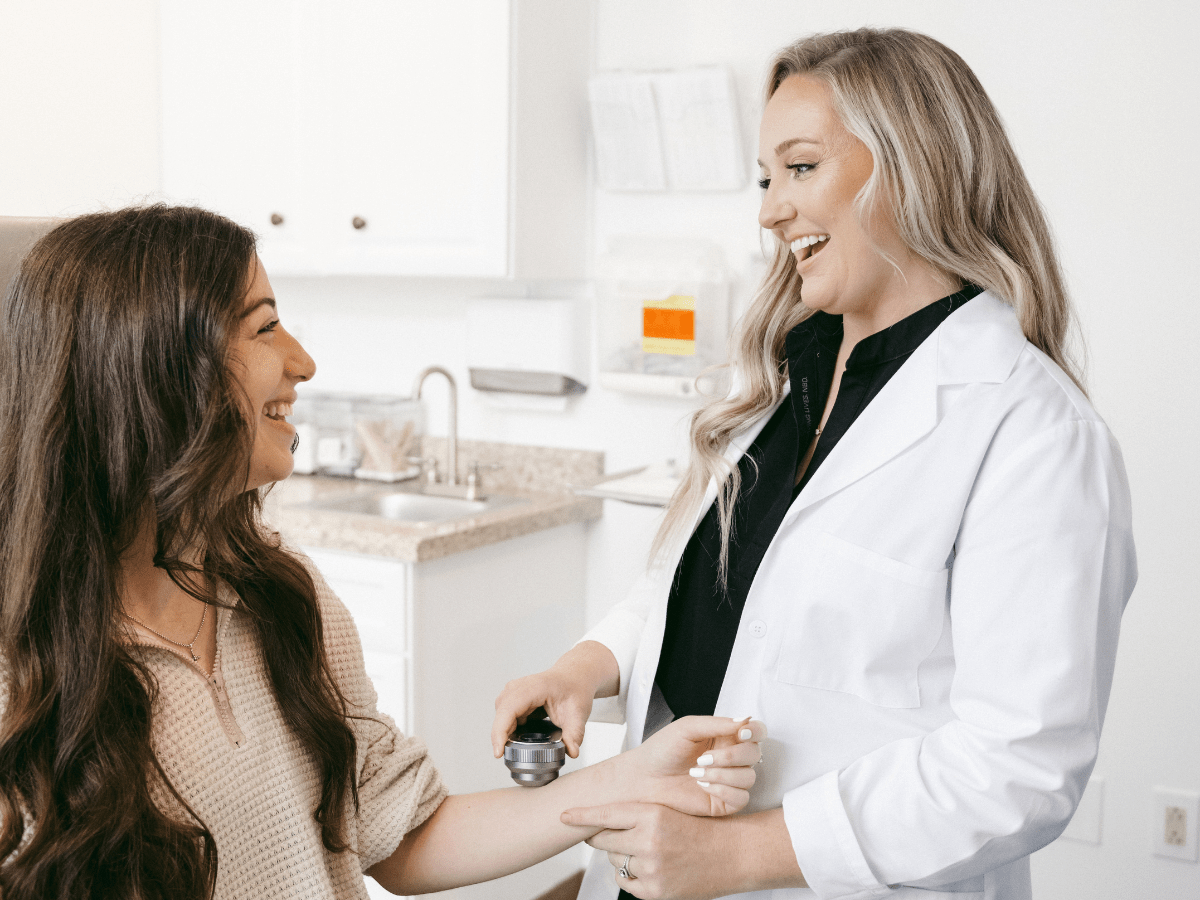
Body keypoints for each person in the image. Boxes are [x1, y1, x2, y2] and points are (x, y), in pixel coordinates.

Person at [492, 27, 1137, 900]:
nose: (767, 210)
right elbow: (711, 581)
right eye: (766, 179)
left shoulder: (1030, 431)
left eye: (800, 169)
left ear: (917, 166)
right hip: (658, 856)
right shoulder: (780, 376)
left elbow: (1018, 766)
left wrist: (740, 856)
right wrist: (582, 667)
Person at [0, 205, 766, 900]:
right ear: (156, 371)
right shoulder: (22, 673)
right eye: (265, 328)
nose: (302, 363)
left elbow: (399, 835)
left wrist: (633, 777)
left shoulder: (280, 598)